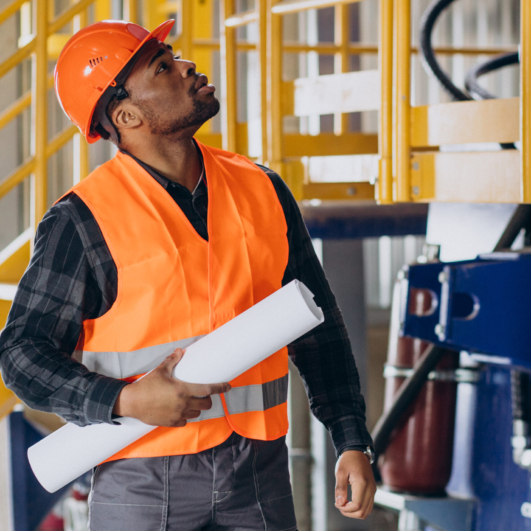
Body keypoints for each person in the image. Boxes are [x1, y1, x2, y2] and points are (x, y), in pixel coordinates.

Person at [0, 19, 376, 530]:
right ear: (127, 114)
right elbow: (22, 354)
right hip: (141, 474)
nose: (186, 66)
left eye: (172, 55)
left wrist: (351, 438)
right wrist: (122, 399)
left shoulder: (262, 188)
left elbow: (320, 326)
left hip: (258, 474)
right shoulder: (83, 219)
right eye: (162, 67)